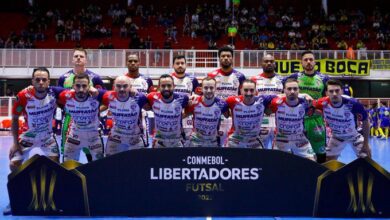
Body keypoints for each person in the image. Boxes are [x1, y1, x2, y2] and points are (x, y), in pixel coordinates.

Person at [9, 67, 64, 170]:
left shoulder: (54, 93)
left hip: (47, 137)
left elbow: (74, 93)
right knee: (13, 165)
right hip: (28, 136)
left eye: (44, 80)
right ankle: (25, 185)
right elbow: (15, 118)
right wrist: (15, 143)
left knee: (56, 165)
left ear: (48, 82)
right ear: (32, 81)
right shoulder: (23, 96)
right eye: (37, 80)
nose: (41, 82)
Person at [58, 48, 104, 162]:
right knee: (69, 155)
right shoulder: (64, 78)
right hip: (70, 119)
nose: (78, 58)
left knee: (93, 153)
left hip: (91, 121)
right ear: (72, 59)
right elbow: (58, 100)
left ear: (86, 60)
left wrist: (95, 112)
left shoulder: (95, 78)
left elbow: (103, 99)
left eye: (81, 56)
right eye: (76, 56)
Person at [283, 50, 329, 163]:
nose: (308, 62)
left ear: (315, 62)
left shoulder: (323, 78)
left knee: (320, 152)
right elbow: (285, 95)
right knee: (298, 152)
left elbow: (327, 100)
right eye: (305, 60)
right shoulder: (295, 77)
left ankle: (320, 178)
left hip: (316, 120)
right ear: (301, 63)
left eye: (311, 59)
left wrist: (323, 111)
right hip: (298, 120)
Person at [312, 79, 371, 160]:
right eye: (331, 91)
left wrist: (366, 144)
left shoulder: (353, 103)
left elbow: (365, 121)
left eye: (337, 90)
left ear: (342, 91)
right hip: (337, 136)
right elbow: (307, 107)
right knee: (328, 162)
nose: (334, 94)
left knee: (367, 158)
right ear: (326, 93)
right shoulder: (321, 103)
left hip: (354, 136)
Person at [208, 46, 245, 146]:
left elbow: (243, 97)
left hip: (234, 115)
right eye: (223, 56)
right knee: (215, 142)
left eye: (228, 56)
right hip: (215, 114)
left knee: (233, 143)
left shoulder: (240, 76)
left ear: (232, 58)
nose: (225, 58)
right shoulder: (212, 75)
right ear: (219, 58)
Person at [269, 78, 315, 160]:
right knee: (277, 166)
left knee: (312, 163)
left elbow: (317, 106)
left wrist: (305, 95)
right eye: (289, 89)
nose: (292, 91)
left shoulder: (306, 102)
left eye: (295, 89)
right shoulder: (275, 102)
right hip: (281, 139)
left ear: (299, 90)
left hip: (300, 138)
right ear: (284, 90)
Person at [101, 76, 148, 156]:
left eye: (125, 86)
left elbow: (152, 104)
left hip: (135, 138)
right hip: (115, 138)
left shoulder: (140, 98)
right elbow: (88, 90)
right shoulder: (107, 96)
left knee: (139, 165)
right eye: (118, 86)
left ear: (130, 86)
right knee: (109, 164)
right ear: (114, 87)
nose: (122, 89)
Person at [226, 80, 275, 148]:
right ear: (241, 91)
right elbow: (219, 104)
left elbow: (281, 96)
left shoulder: (262, 100)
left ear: (256, 91)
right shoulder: (232, 100)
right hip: (235, 139)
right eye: (246, 90)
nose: (249, 93)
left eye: (252, 90)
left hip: (254, 140)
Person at [250, 54, 283, 148]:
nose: (269, 63)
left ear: (275, 64)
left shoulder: (282, 79)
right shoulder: (254, 80)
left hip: (279, 118)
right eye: (266, 61)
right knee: (260, 149)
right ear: (261, 64)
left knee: (279, 149)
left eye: (271, 61)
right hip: (260, 119)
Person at [147, 74, 189, 148]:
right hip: (159, 142)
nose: (166, 88)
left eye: (169, 86)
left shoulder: (183, 98)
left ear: (174, 86)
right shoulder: (151, 97)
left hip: (177, 141)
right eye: (163, 86)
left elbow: (191, 109)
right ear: (159, 87)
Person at [186, 77, 228, 147]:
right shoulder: (194, 102)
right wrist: (187, 104)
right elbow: (182, 115)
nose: (208, 91)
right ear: (201, 89)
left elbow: (228, 115)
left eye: (211, 88)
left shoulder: (222, 104)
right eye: (205, 88)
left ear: (215, 89)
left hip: (213, 142)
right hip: (195, 142)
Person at [125, 54, 154, 146]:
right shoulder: (121, 80)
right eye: (130, 61)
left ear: (139, 63)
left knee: (143, 145)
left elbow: (151, 99)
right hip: (125, 116)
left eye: (135, 61)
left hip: (142, 116)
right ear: (127, 63)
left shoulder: (147, 80)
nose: (133, 63)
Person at [171, 55, 199, 146]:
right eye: (177, 63)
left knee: (188, 144)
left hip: (187, 117)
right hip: (171, 117)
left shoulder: (193, 80)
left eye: (182, 63)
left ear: (186, 65)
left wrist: (191, 108)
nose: (180, 65)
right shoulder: (168, 79)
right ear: (173, 65)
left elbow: (198, 98)